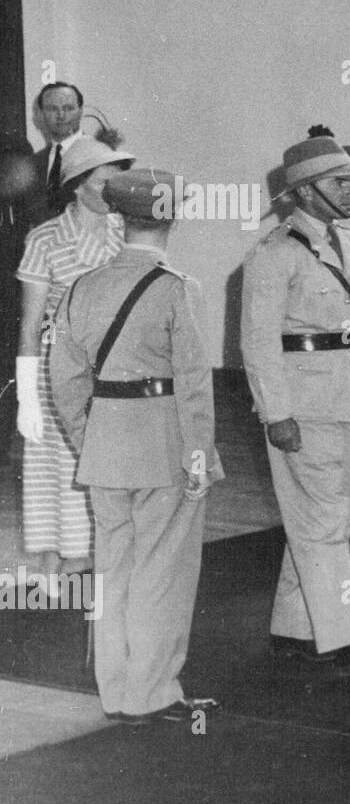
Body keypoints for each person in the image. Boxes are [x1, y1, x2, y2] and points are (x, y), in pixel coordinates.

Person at [48, 167, 222, 725]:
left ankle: (117, 691)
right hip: (164, 443)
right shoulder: (177, 288)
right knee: (162, 569)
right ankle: (152, 692)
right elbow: (195, 385)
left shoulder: (82, 286)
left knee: (114, 568)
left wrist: (87, 435)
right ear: (173, 215)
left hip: (104, 445)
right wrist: (199, 456)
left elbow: (65, 378)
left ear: (120, 218)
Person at [241, 130, 350, 674]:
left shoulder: (349, 245)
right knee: (323, 523)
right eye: (341, 182)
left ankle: (294, 625)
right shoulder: (275, 252)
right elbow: (257, 341)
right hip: (303, 403)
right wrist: (276, 413)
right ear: (307, 192)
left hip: (348, 394)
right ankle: (344, 637)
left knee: (321, 516)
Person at [13, 133, 134, 582]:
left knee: (105, 465)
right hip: (57, 370)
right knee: (58, 467)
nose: (114, 191)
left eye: (118, 182)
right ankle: (55, 561)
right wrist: (26, 397)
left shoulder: (127, 233)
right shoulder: (45, 238)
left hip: (115, 369)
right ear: (79, 185)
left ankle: (93, 559)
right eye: (105, 182)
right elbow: (29, 325)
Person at [30, 82, 86, 226]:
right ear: (41, 114)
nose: (61, 115)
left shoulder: (100, 157)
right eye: (52, 109)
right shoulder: (33, 163)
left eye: (68, 108)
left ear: (80, 112)